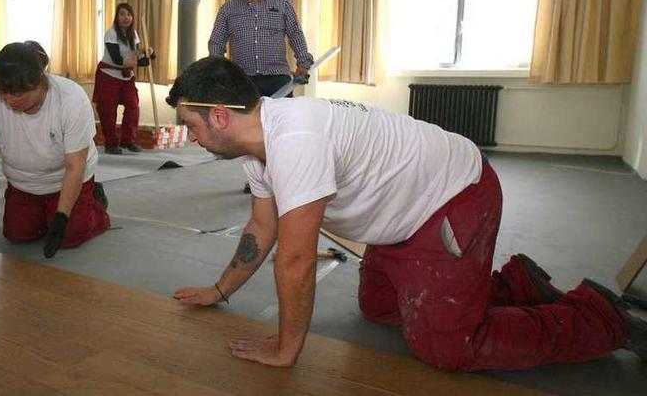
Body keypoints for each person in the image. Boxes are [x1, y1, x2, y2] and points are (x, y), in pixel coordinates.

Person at [166, 56, 646, 370]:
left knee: (447, 347)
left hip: (453, 198)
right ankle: (517, 285)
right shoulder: (258, 149)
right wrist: (219, 290)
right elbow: (262, 227)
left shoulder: (294, 140)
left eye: (190, 125)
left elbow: (296, 260)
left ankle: (598, 317)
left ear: (221, 115)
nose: (190, 136)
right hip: (400, 216)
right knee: (380, 308)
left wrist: (286, 348)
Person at [0, 41, 110, 259]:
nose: (11, 99)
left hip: (67, 178)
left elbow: (74, 165)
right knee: (17, 235)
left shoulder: (70, 99)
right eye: (5, 92)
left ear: (40, 82)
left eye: (19, 93)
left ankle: (95, 205)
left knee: (70, 236)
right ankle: (47, 212)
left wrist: (62, 219)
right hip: (24, 182)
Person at [208, 0, 314, 98]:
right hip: (243, 81)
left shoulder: (281, 2)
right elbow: (216, 42)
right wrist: (221, 70)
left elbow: (295, 33)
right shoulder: (228, 9)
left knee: (279, 120)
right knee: (245, 121)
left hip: (278, 80)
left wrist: (303, 64)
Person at [94, 3, 153, 155]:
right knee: (108, 111)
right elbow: (117, 59)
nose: (126, 17)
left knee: (133, 106)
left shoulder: (133, 34)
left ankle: (128, 141)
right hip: (109, 75)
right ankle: (111, 143)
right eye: (122, 14)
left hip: (126, 76)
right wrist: (139, 62)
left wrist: (147, 52)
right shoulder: (111, 34)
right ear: (117, 17)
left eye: (128, 14)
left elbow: (134, 53)